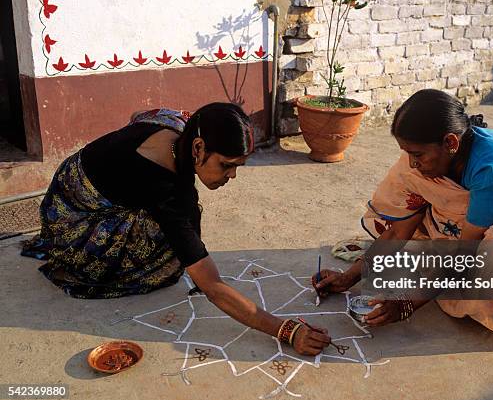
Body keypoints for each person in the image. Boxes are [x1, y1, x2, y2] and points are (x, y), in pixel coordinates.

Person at [22, 104, 330, 355]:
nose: (232, 175)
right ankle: (84, 258)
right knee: (167, 244)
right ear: (198, 147)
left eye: (238, 166)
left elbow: (141, 114)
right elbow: (211, 286)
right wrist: (285, 330)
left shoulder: (177, 128)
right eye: (226, 165)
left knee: (184, 224)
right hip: (73, 219)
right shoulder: (165, 190)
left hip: (67, 180)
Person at [313, 89, 493, 342]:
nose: (412, 163)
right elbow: (399, 230)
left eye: (418, 154)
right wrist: (349, 277)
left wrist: (408, 304)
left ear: (450, 143)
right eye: (407, 152)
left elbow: (463, 254)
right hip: (477, 219)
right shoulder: (425, 159)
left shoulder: (492, 170)